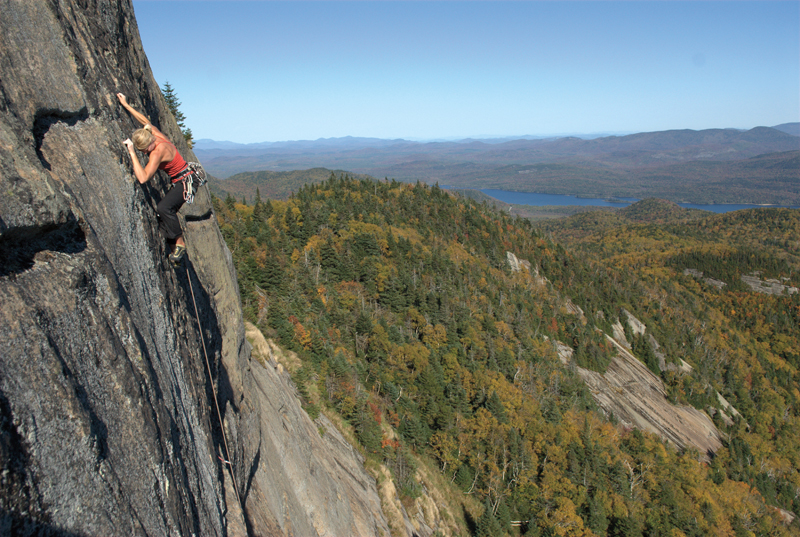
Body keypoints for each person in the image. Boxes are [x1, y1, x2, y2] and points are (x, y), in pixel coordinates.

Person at [117, 92, 192, 266]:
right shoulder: (154, 133)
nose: (145, 153)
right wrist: (126, 105)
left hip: (186, 181)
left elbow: (143, 178)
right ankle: (174, 251)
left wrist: (131, 152)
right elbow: (144, 120)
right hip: (185, 178)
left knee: (164, 207)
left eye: (144, 150)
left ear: (148, 145)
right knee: (163, 213)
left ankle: (180, 244)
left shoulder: (157, 152)